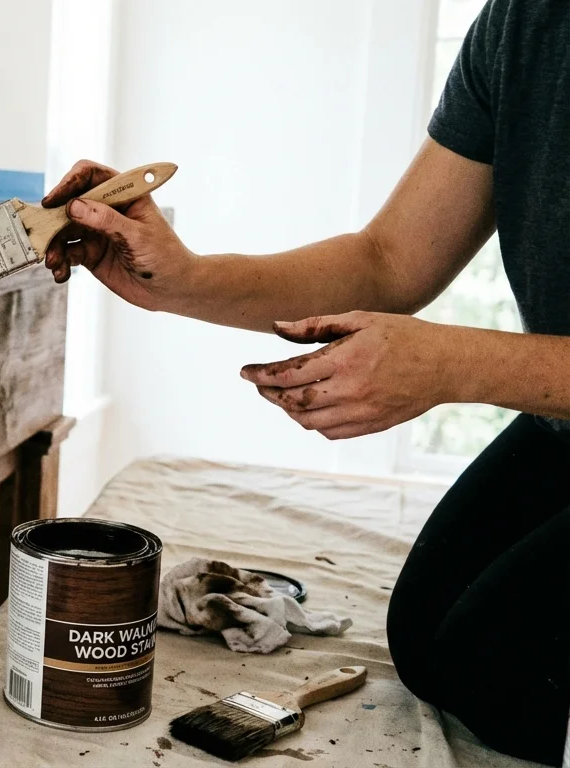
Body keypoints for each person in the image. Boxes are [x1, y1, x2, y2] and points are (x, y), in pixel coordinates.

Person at [40, 0, 568, 763]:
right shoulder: (523, 22)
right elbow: (389, 261)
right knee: (428, 644)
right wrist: (182, 280)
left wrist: (453, 364)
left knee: (503, 671)